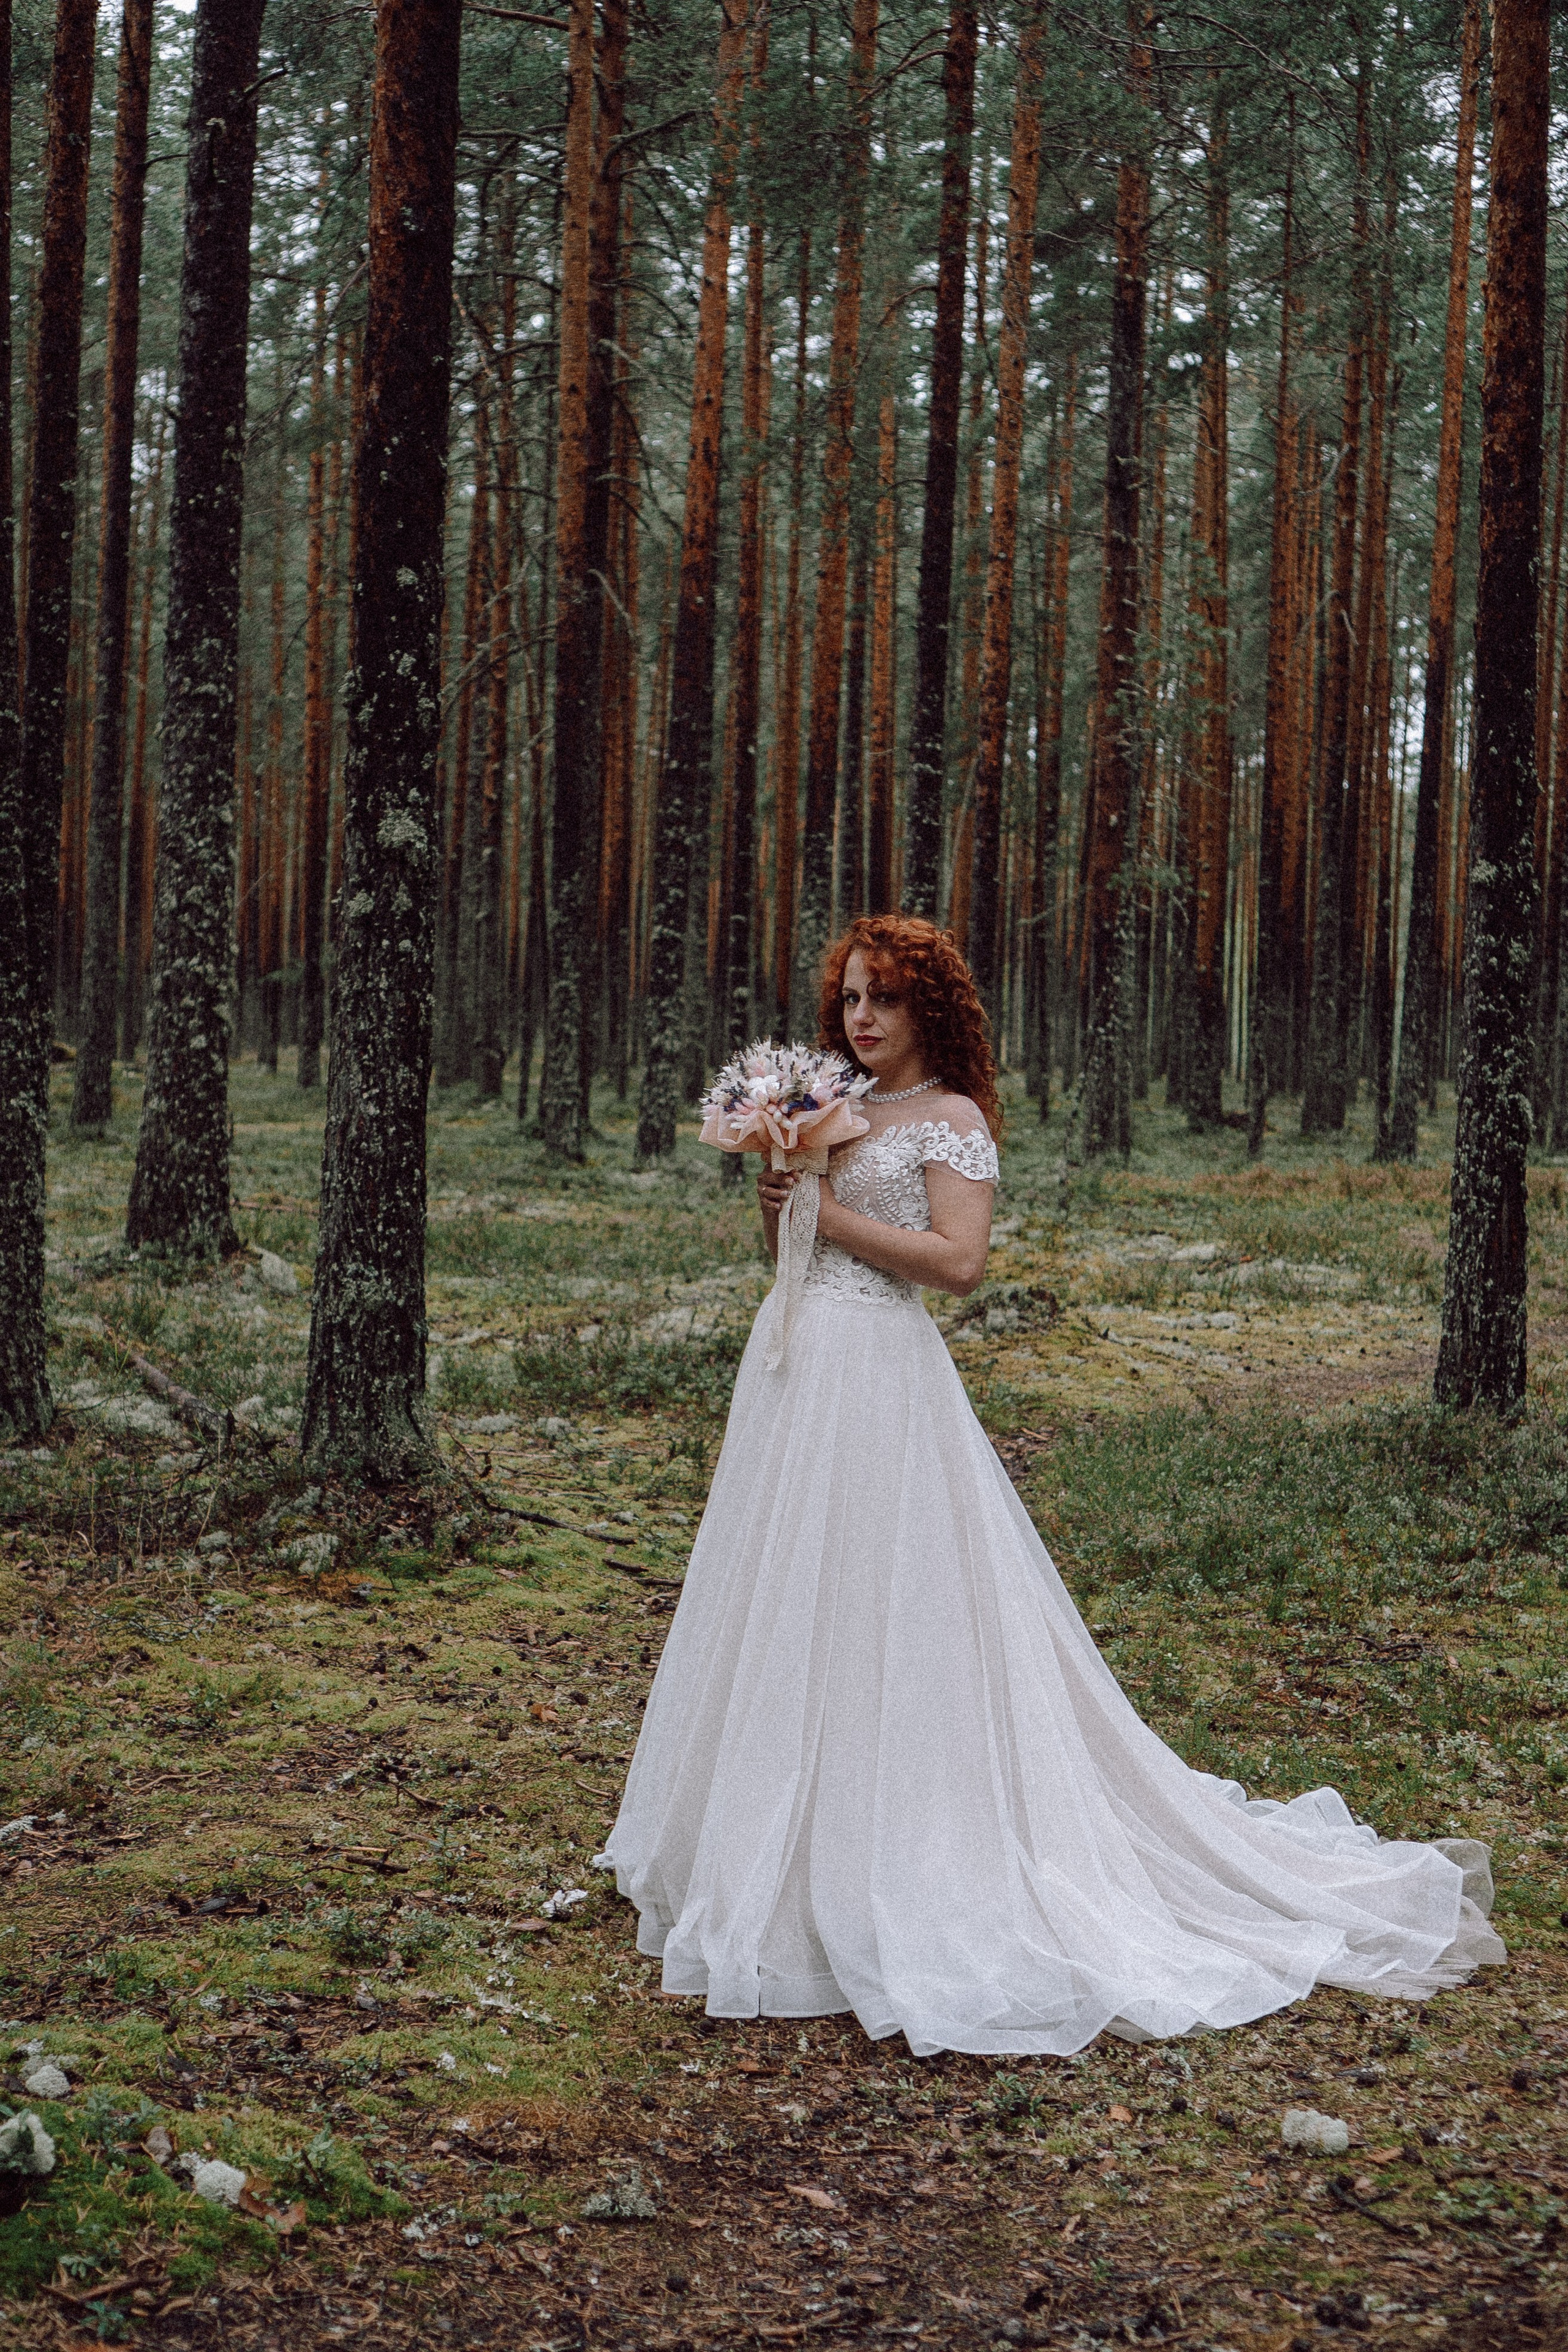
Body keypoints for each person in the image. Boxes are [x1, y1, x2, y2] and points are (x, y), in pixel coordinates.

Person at [597, 914, 1503, 2056]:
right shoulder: (839, 1110)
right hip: (791, 1374)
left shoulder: (952, 1121)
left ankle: (904, 1842)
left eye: (884, 999)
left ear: (931, 1009)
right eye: (850, 1001)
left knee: (892, 1601)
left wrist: (827, 1212)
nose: (861, 1020)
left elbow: (961, 1266)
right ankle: (773, 1841)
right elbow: (796, 1249)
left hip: (880, 1376)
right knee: (786, 1596)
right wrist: (781, 1200)